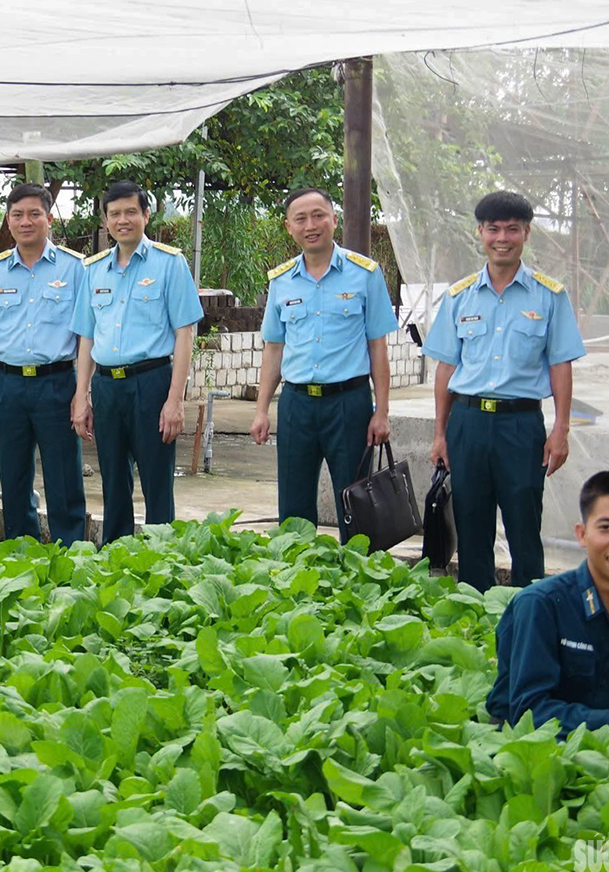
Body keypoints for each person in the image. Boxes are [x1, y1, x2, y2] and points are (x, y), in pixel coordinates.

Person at [423, 190, 586, 590]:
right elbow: (446, 368)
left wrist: (561, 430)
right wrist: (441, 434)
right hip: (468, 423)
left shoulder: (549, 295)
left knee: (523, 524)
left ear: (526, 233)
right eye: (493, 228)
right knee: (471, 523)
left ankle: (532, 608)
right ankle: (475, 608)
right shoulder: (459, 296)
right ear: (480, 233)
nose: (502, 237)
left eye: (512, 229)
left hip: (521, 425)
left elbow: (560, 364)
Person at [250, 188, 398, 529]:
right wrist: (261, 410)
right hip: (296, 404)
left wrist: (382, 412)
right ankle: (296, 576)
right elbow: (274, 348)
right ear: (289, 227)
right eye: (300, 219)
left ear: (334, 219)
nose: (311, 225)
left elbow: (378, 347)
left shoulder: (365, 273)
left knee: (355, 502)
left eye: (318, 215)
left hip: (349, 404)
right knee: (294, 504)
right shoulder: (281, 280)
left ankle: (358, 578)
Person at [486, 469, 609, 738]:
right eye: (606, 528)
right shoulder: (540, 605)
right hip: (526, 758)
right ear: (582, 534)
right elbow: (527, 712)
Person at [71, 181, 203, 544]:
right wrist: (81, 395)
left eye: (131, 212)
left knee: (157, 480)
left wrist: (175, 401)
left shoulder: (169, 264)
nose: (123, 220)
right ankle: (115, 553)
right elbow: (86, 337)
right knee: (113, 479)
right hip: (107, 386)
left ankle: (163, 557)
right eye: (115, 214)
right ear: (105, 221)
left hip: (152, 383)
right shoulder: (93, 270)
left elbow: (185, 334)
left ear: (147, 214)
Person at [0, 183, 89, 545]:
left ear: (49, 219)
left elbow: (86, 337)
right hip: (8, 386)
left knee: (63, 475)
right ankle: (22, 551)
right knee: (13, 475)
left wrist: (83, 392)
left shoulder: (74, 268)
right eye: (17, 215)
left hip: (57, 383)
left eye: (34, 214)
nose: (26, 222)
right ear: (8, 221)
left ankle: (72, 553)